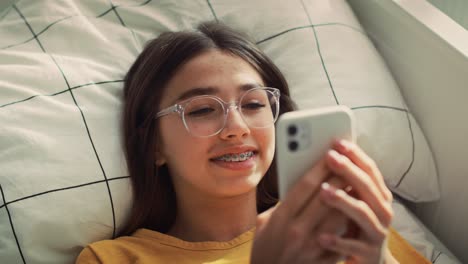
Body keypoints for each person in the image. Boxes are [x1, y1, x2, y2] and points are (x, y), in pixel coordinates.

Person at [76, 21, 398, 263]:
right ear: (155, 146)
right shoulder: (113, 259)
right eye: (202, 109)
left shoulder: (354, 228)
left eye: (254, 104)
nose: (237, 128)